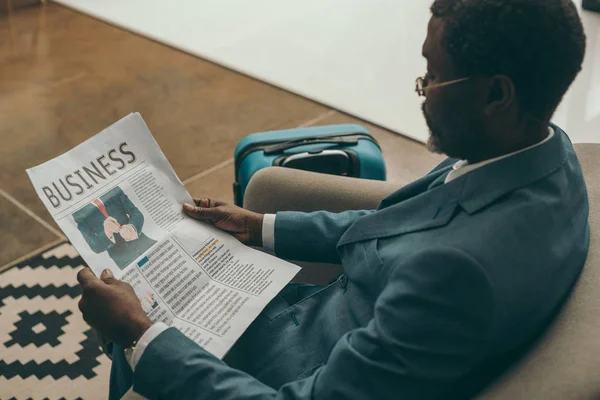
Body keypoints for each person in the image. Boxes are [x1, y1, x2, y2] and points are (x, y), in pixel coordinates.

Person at [77, 0, 589, 398]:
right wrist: (259, 226)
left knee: (132, 332)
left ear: (497, 95)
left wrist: (142, 336)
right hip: (332, 313)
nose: (423, 90)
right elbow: (402, 222)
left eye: (433, 75)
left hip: (291, 369)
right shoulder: (543, 155)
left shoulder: (455, 275)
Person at [73, 186, 156, 270]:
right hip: (125, 261)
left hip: (146, 244)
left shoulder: (113, 190)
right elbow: (94, 246)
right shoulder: (78, 213)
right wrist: (107, 233)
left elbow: (135, 212)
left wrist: (131, 227)